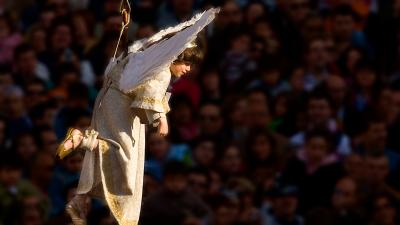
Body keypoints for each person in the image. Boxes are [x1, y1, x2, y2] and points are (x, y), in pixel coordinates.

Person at [55, 8, 220, 225]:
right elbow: (150, 94)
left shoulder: (145, 60)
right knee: (122, 156)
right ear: (176, 56)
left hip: (110, 101)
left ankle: (81, 192)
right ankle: (82, 141)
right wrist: (161, 119)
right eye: (186, 63)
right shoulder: (160, 70)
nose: (188, 69)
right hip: (120, 107)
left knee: (114, 154)